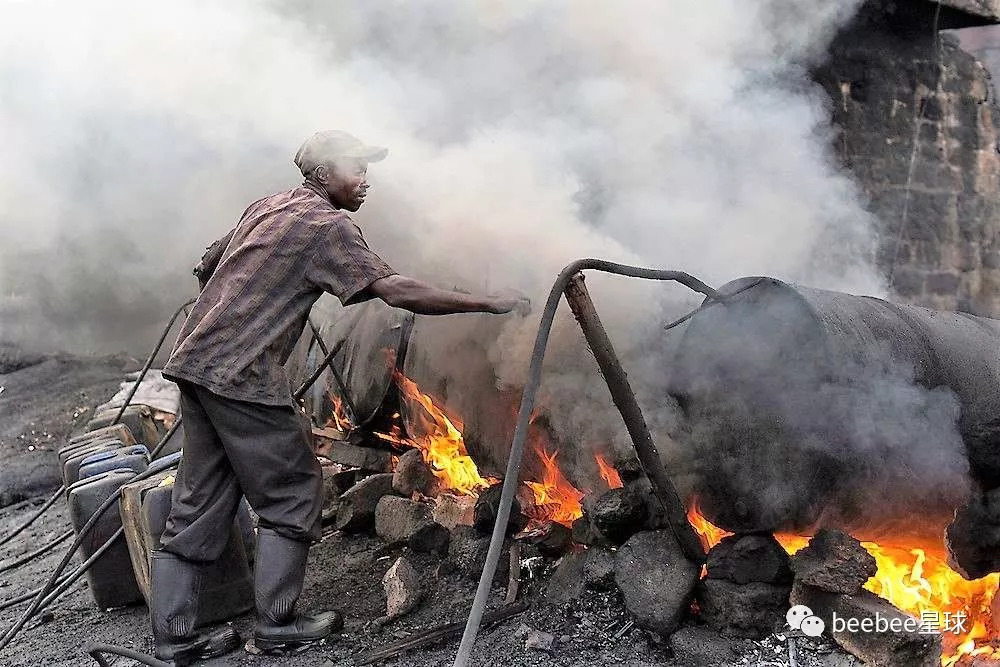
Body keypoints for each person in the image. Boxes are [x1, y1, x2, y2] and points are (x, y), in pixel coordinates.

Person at [151, 130, 528, 664]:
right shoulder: (327, 227)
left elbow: (208, 265)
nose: (366, 179)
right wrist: (487, 303)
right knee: (292, 494)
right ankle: (276, 625)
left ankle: (173, 641)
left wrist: (246, 301)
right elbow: (395, 291)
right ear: (325, 174)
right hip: (243, 379)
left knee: (196, 503)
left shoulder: (271, 205)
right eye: (357, 168)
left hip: (196, 366)